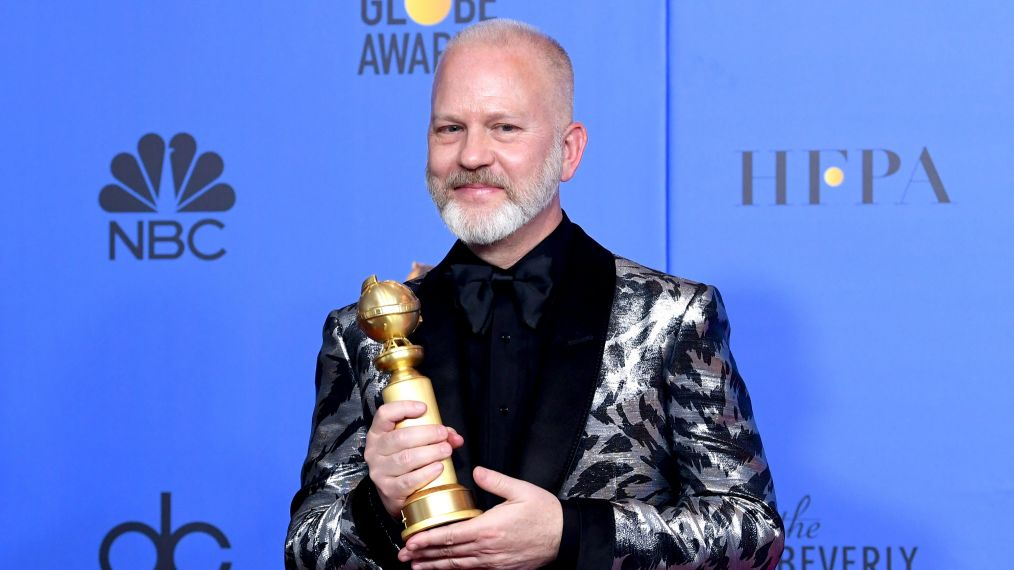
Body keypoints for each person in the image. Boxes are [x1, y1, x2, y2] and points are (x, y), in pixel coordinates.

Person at [286, 19, 784, 570]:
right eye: (449, 128)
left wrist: (571, 536)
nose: (472, 155)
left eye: (504, 128)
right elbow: (307, 550)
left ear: (569, 150)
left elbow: (752, 533)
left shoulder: (671, 317)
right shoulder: (361, 330)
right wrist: (376, 503)